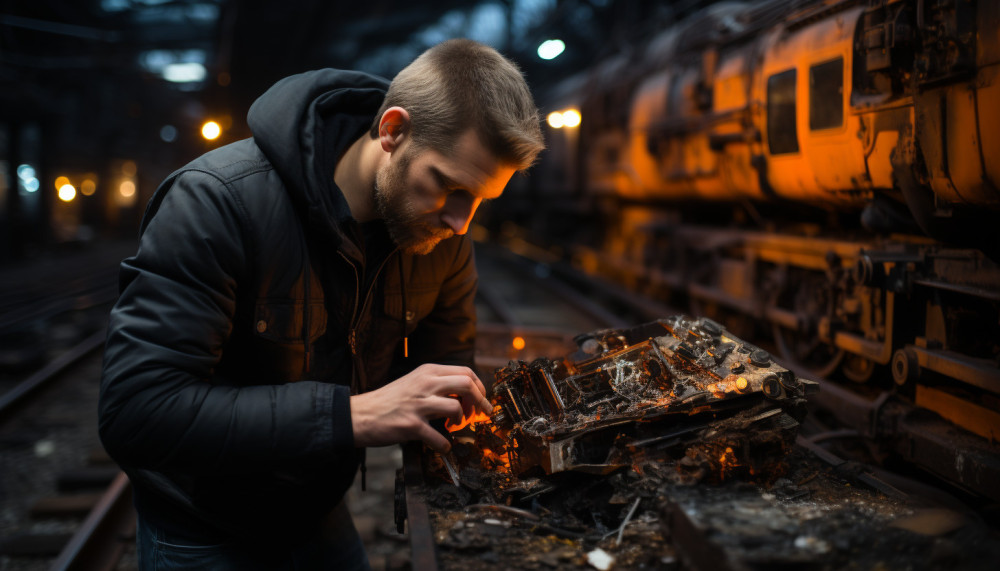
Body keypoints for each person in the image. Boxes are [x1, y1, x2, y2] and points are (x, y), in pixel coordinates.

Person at [98, 38, 544, 570]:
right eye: (448, 187)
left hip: (316, 509)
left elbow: (444, 377)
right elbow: (137, 412)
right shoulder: (217, 203)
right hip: (203, 522)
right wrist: (349, 417)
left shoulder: (441, 241)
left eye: (479, 201)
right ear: (393, 131)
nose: (461, 222)